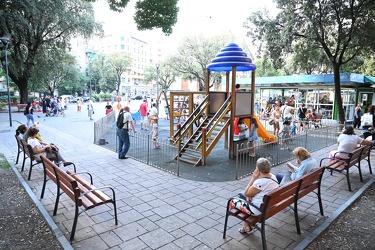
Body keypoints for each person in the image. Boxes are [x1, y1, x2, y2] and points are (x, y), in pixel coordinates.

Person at [234, 158, 279, 234]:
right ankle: (247, 225)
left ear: (257, 169)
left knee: (233, 201)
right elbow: (252, 193)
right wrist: (249, 195)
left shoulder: (259, 182)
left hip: (257, 210)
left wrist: (253, 178)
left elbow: (246, 193)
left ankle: (246, 225)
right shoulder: (273, 177)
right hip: (269, 206)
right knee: (247, 198)